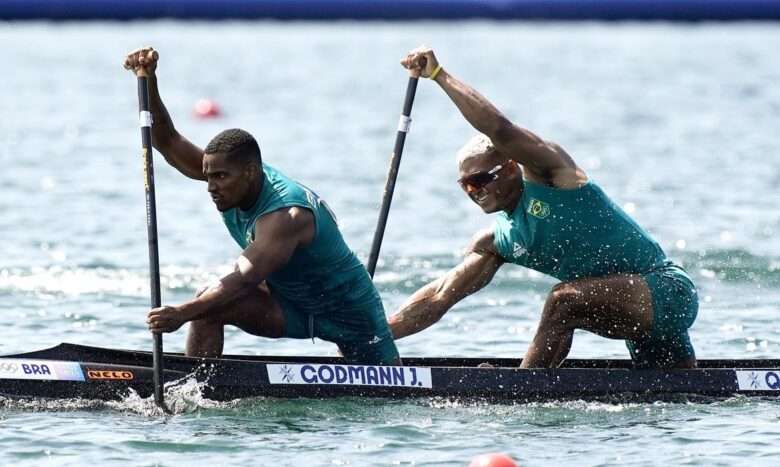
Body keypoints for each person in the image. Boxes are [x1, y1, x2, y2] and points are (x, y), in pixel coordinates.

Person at [388, 46, 698, 369]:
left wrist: (439, 76)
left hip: (666, 291)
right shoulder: (498, 242)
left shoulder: (552, 175)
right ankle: (534, 385)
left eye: (480, 180)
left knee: (561, 302)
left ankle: (521, 392)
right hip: (629, 309)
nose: (473, 192)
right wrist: (374, 336)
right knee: (683, 394)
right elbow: (439, 297)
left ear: (510, 167)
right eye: (465, 185)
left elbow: (499, 130)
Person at [123, 47, 399, 365]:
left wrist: (180, 313)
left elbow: (243, 279)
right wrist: (149, 80)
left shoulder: (285, 215)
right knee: (208, 306)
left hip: (351, 315)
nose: (211, 187)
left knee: (388, 391)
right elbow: (168, 140)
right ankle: (194, 390)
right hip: (292, 306)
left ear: (251, 172)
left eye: (221, 177)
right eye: (208, 177)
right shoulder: (233, 180)